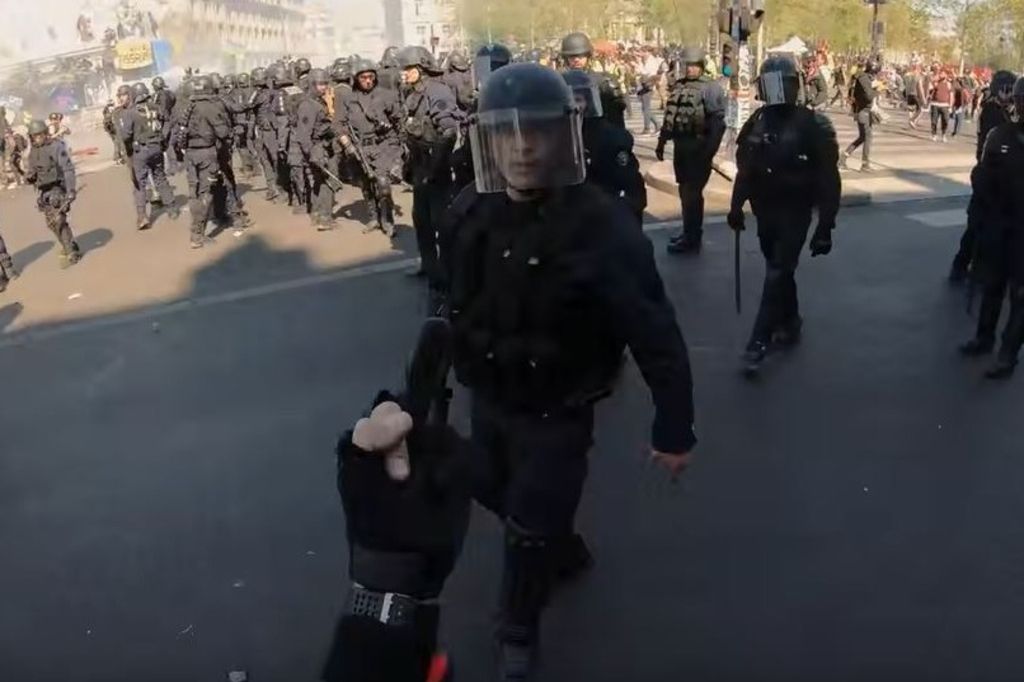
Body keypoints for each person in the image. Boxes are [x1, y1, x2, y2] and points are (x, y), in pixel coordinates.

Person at [442, 62, 696, 681]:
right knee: (490, 488)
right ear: (488, 141)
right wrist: (419, 390)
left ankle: (518, 626)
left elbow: (654, 332)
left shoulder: (600, 227)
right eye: (507, 134)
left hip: (559, 406)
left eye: (538, 132)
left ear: (564, 137)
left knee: (529, 522)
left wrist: (673, 428)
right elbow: (447, 304)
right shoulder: (470, 210)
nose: (523, 147)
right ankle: (560, 542)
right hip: (490, 396)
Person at [728, 56, 842, 374]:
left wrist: (825, 226)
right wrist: (736, 206)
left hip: (796, 209)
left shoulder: (814, 124)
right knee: (779, 270)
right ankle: (790, 321)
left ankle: (758, 341)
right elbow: (745, 168)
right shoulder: (757, 121)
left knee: (778, 271)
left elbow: (828, 179)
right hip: (765, 208)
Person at [958, 78, 1024, 379]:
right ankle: (984, 338)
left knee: (1020, 297)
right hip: (1000, 226)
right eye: (1021, 99)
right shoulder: (1000, 136)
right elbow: (981, 176)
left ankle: (1007, 355)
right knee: (992, 287)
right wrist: (982, 220)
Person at [398, 45, 461, 297]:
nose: (404, 73)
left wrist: (435, 167)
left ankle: (447, 275)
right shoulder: (412, 93)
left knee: (441, 223)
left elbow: (449, 131)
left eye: (408, 69)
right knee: (421, 220)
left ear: (421, 68)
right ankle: (429, 266)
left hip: (435, 167)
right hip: (419, 166)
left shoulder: (437, 91)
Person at [656, 46, 727, 254]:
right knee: (684, 190)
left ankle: (693, 237)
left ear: (702, 66)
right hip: (681, 147)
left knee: (692, 193)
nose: (690, 69)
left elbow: (718, 124)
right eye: (688, 65)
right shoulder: (679, 85)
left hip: (698, 148)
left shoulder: (710, 88)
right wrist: (662, 142)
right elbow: (671, 116)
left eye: (695, 65)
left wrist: (708, 152)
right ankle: (689, 231)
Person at [563, 69, 646, 222]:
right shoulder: (555, 136)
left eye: (578, 99)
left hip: (604, 215)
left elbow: (631, 186)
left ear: (588, 100)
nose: (574, 106)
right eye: (569, 100)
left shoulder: (608, 136)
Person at [336, 59, 403, 237]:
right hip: (358, 148)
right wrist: (347, 144)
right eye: (363, 77)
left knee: (383, 184)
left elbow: (398, 120)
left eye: (371, 77)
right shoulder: (348, 98)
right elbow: (339, 124)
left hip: (382, 145)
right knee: (365, 185)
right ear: (356, 79)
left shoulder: (385, 95)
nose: (367, 81)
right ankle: (374, 217)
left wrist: (396, 147)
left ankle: (387, 220)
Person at [172, 75, 233, 249]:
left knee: (194, 192)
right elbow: (223, 132)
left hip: (190, 154)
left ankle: (196, 228)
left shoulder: (182, 108)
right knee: (207, 192)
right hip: (207, 154)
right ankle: (197, 233)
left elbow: (176, 135)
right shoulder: (208, 107)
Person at [21, 120, 81, 267]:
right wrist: (29, 177)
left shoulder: (56, 147)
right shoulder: (33, 153)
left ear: (45, 134)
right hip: (44, 192)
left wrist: (71, 190)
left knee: (58, 219)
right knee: (52, 224)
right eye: (34, 136)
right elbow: (33, 172)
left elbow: (68, 169)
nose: (38, 138)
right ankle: (70, 244)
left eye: (40, 135)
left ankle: (70, 251)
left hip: (58, 187)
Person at [119, 82, 177, 229]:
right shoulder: (156, 107)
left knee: (140, 184)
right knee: (160, 177)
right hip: (156, 148)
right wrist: (162, 138)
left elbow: (126, 135)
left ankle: (142, 217)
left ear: (133, 95)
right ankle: (172, 209)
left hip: (141, 150)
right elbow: (166, 122)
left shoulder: (130, 112)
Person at [293, 68, 338, 230]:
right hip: (317, 148)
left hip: (322, 146)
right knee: (328, 182)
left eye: (325, 84)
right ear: (312, 84)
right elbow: (303, 134)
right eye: (320, 84)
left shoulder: (318, 101)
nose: (324, 87)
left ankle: (317, 214)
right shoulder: (308, 105)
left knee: (320, 182)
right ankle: (324, 218)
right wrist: (312, 154)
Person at [559, 32, 628, 128]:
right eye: (572, 56)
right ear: (566, 58)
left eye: (581, 56)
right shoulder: (558, 83)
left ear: (588, 56)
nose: (576, 60)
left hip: (598, 131)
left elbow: (617, 120)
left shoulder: (604, 82)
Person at [839, 58, 878, 172]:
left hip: (864, 110)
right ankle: (865, 164)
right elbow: (869, 96)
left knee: (863, 137)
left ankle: (843, 158)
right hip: (863, 111)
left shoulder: (864, 77)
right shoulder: (864, 78)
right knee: (867, 137)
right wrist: (878, 89)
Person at [929, 70, 953, 143]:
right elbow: (930, 87)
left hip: (945, 105)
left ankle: (944, 134)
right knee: (934, 121)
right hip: (935, 104)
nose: (941, 75)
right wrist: (935, 79)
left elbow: (951, 95)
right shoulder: (936, 83)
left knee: (945, 120)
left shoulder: (948, 84)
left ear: (946, 75)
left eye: (943, 74)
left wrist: (950, 106)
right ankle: (934, 134)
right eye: (940, 74)